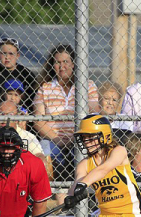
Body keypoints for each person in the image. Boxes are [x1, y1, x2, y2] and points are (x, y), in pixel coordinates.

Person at [33, 44, 99, 182]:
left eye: (66, 62)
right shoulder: (44, 88)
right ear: (52, 65)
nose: (62, 66)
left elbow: (93, 113)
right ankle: (50, 189)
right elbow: (39, 122)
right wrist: (57, 139)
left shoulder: (88, 85)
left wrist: (75, 137)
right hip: (53, 139)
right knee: (45, 149)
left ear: (73, 64)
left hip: (80, 137)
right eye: (57, 62)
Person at [0, 37, 36, 132]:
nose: (7, 57)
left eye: (11, 54)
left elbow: (32, 101)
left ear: (18, 55)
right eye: (3, 53)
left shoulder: (26, 74)